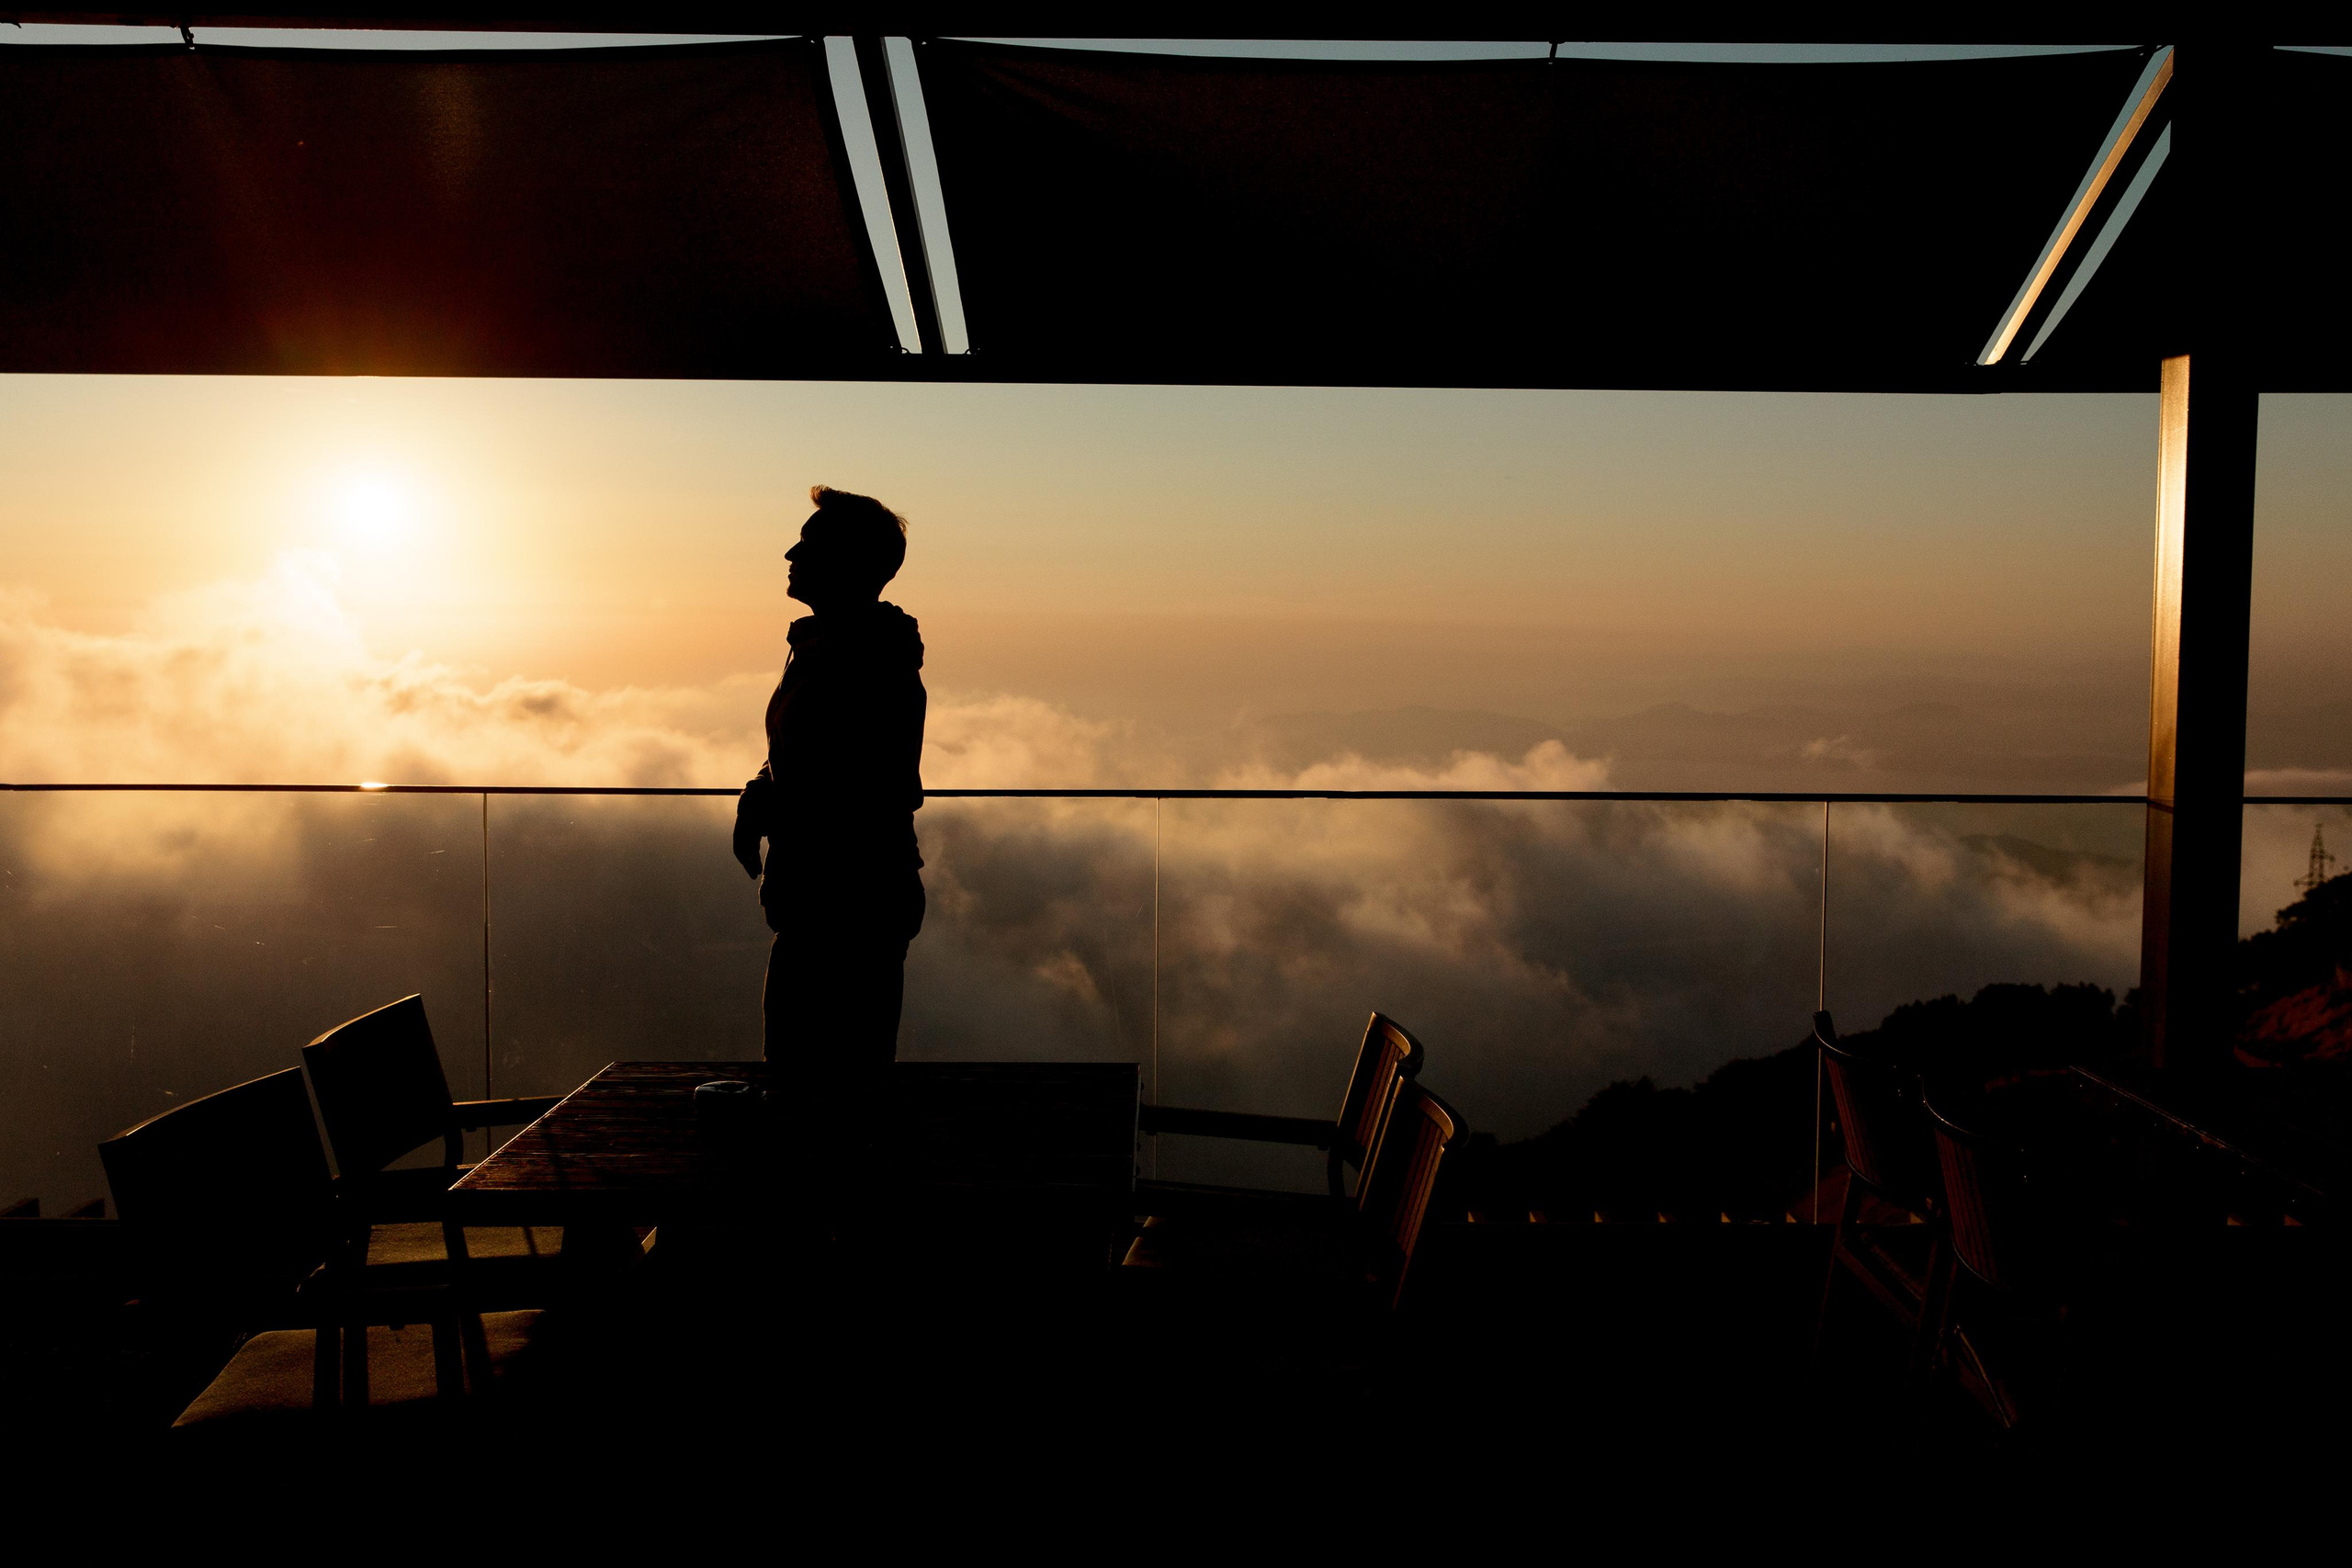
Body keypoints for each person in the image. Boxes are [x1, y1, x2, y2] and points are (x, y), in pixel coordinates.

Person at [733, 485, 927, 1086]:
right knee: (824, 1087)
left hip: (846, 903)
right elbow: (806, 761)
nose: (791, 552)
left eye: (810, 543)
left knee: (822, 1093)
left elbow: (851, 788)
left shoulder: (864, 662)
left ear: (849, 562)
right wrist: (760, 793)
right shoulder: (833, 651)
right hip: (833, 897)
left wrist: (767, 803)